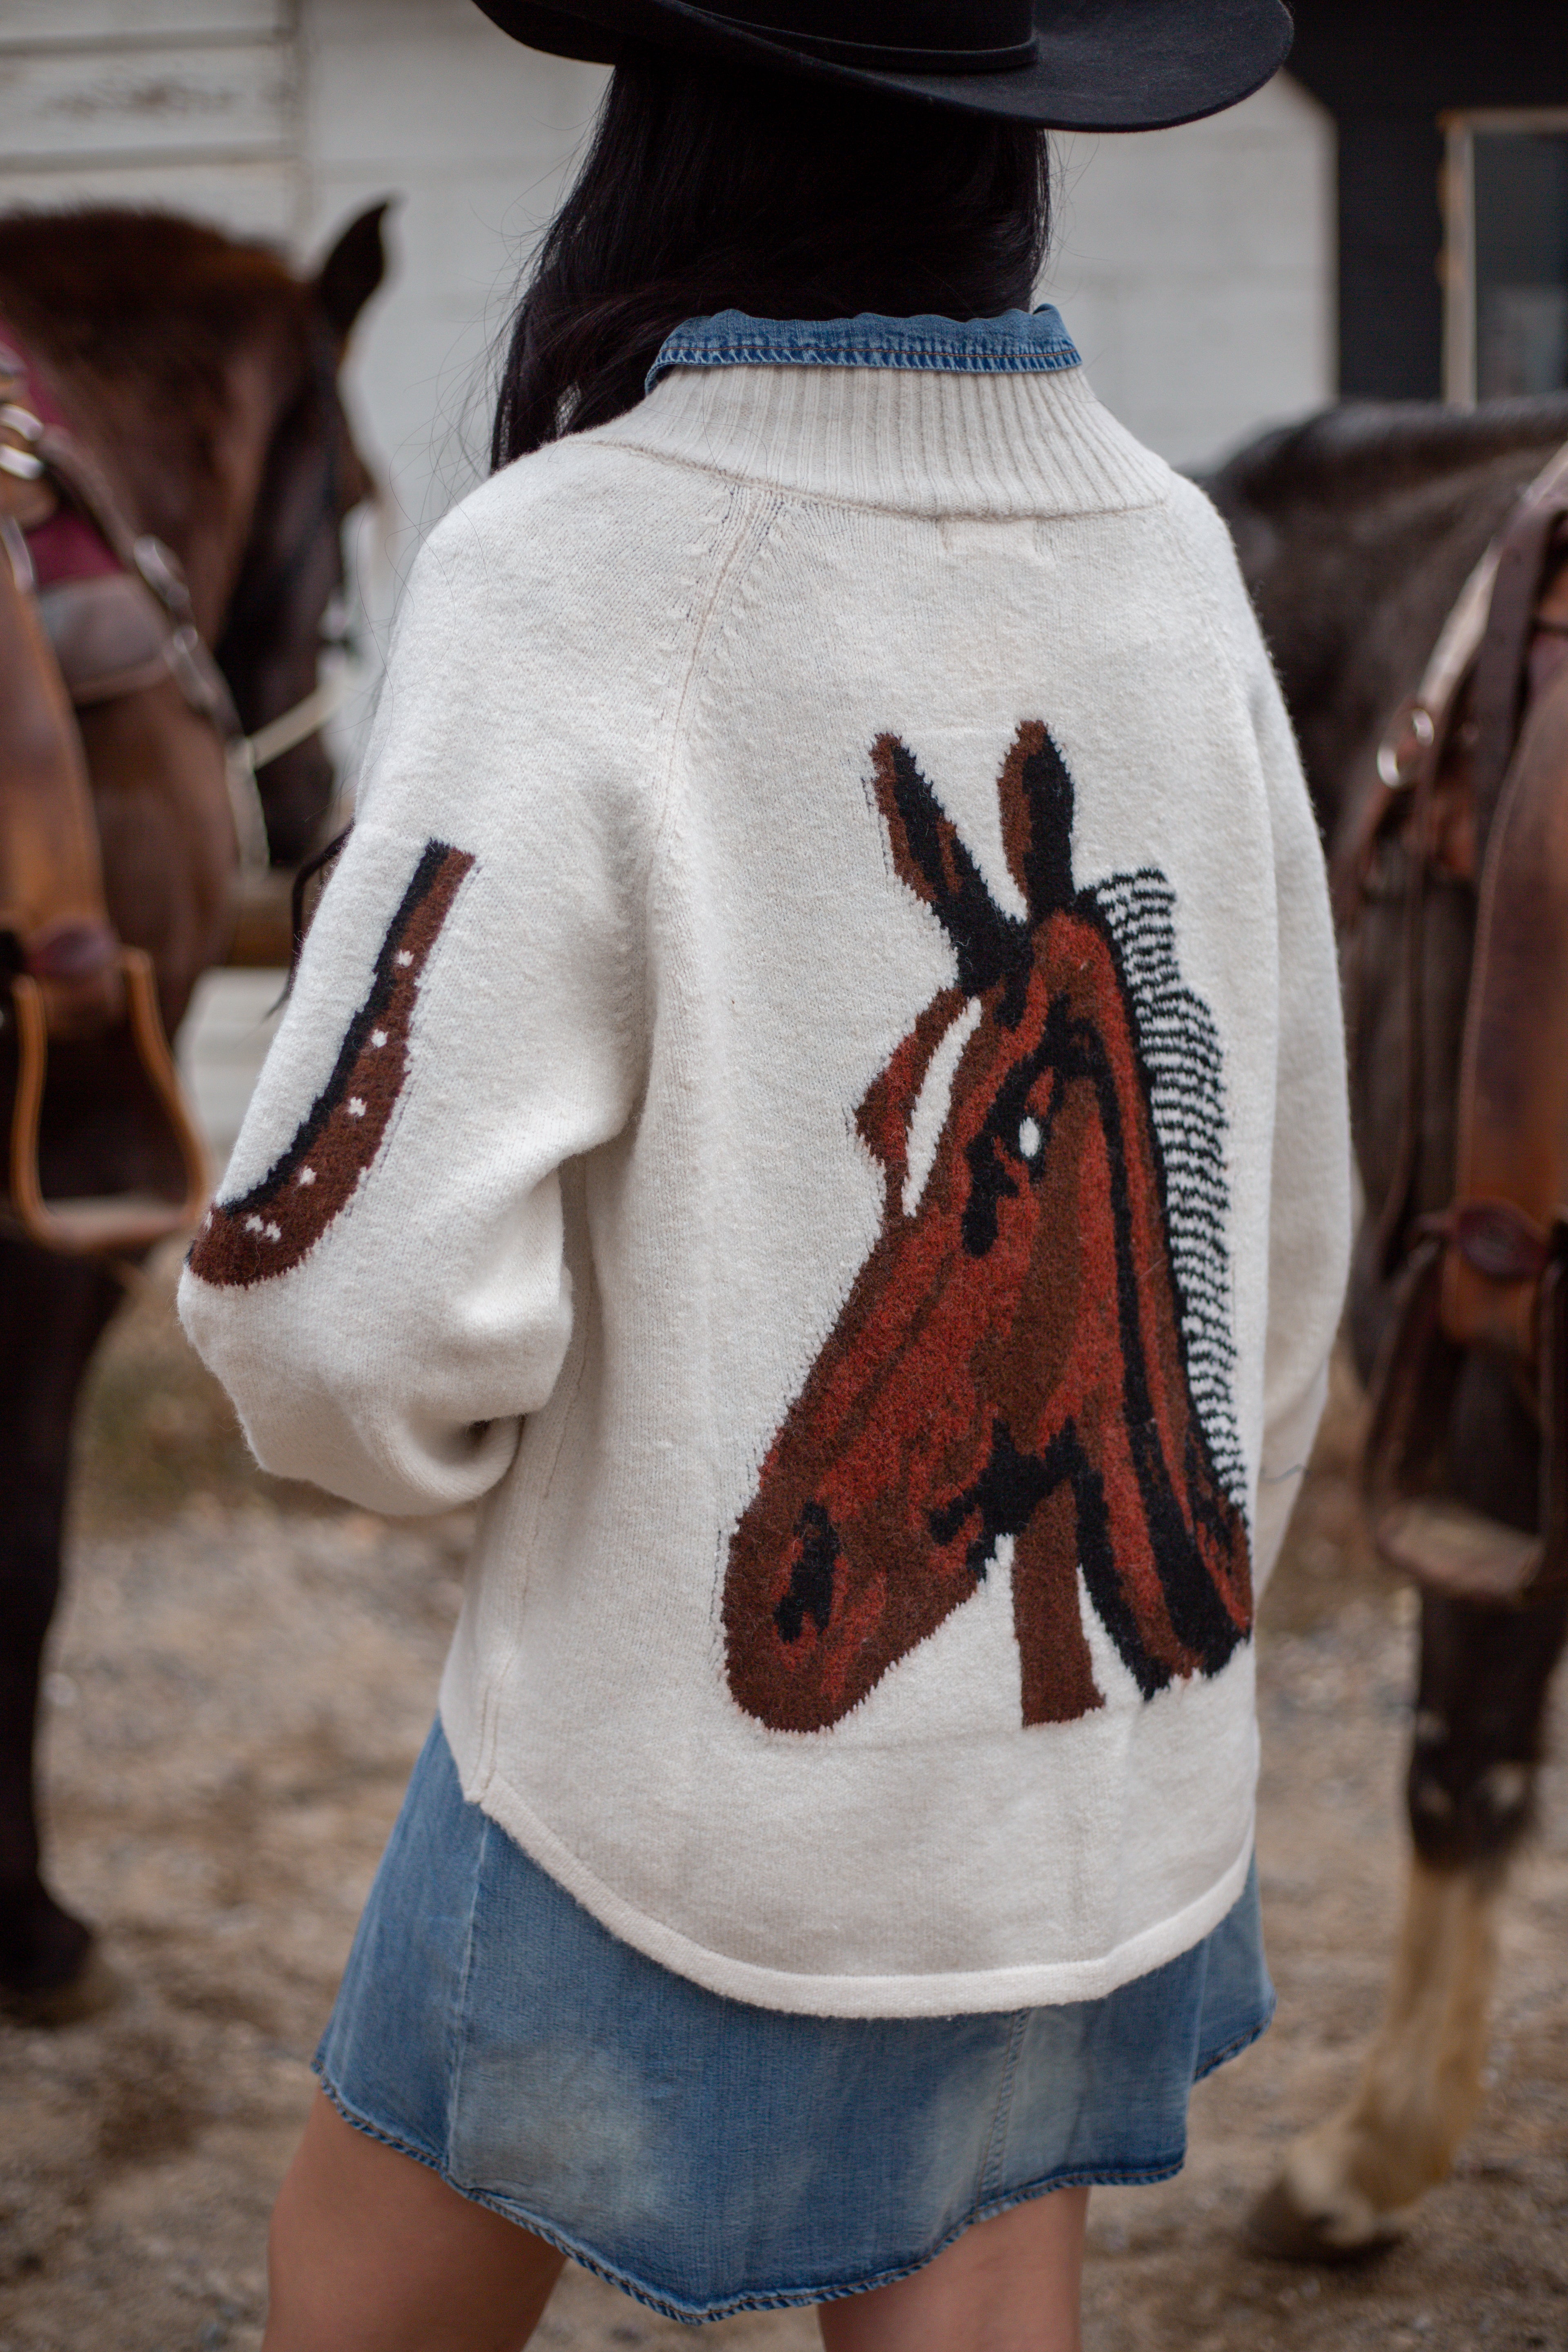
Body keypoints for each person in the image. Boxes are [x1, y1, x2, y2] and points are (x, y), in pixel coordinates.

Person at [179, 3, 1348, 2346]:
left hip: (660, 1793)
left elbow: (344, 1318)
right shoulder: (1174, 555)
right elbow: (1280, 1220)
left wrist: (484, 1474)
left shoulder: (577, 565)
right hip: (1074, 1803)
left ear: (670, 116)